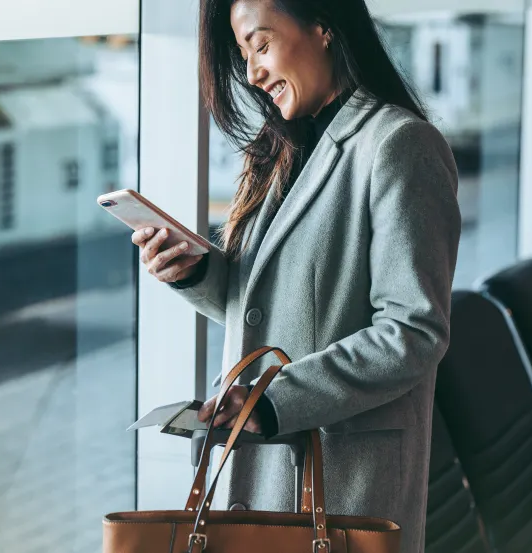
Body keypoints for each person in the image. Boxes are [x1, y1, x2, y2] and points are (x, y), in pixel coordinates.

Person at [132, 0, 460, 551]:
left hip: (345, 481)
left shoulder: (399, 145)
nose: (253, 72)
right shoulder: (279, 153)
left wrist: (272, 399)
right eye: (244, 54)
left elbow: (413, 332)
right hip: (266, 475)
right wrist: (199, 273)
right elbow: (275, 305)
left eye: (261, 45)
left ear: (323, 27)